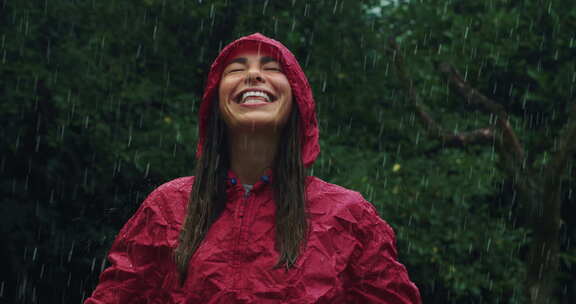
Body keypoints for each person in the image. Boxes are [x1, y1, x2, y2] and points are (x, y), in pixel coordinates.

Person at [85, 33, 421, 303]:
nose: (254, 74)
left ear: (297, 103)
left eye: (272, 67)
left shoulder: (349, 216)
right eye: (236, 69)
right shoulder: (167, 207)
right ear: (215, 106)